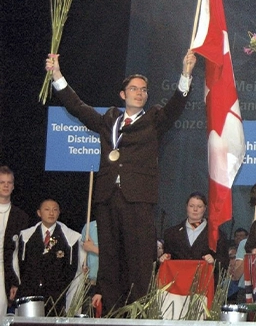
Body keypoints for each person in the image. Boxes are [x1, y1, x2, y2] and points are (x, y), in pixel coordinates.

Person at [45, 51, 196, 311]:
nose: (140, 92)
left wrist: (185, 74)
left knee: (139, 259)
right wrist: (57, 75)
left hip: (137, 198)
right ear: (123, 94)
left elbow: (175, 107)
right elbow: (78, 108)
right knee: (110, 259)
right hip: (107, 197)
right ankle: (114, 312)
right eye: (134, 89)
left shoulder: (154, 120)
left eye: (144, 89)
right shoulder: (109, 120)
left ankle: (137, 312)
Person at [15, 199, 81, 314]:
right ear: (39, 213)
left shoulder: (70, 238)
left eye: (55, 210)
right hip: (30, 293)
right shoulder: (26, 236)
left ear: (59, 213)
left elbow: (71, 268)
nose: (51, 213)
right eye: (47, 209)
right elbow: (21, 265)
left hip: (56, 296)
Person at [160, 192, 229, 272]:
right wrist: (164, 258)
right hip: (178, 281)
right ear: (186, 207)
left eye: (199, 206)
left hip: (205, 280)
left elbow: (224, 262)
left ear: (205, 208)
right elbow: (167, 258)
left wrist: (214, 261)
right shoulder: (171, 233)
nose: (195, 210)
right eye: (191, 206)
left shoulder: (217, 235)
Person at [0, 166, 29, 316]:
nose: (5, 185)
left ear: (13, 186)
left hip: (5, 274)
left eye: (9, 182)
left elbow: (19, 254)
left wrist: (14, 281)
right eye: (2, 182)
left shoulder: (21, 217)